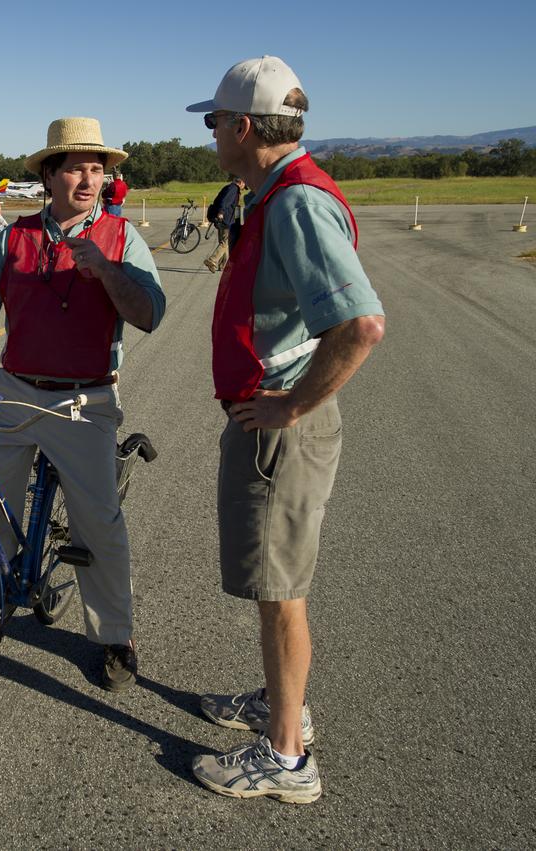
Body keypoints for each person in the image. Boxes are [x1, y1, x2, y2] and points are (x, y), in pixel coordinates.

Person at [184, 55, 385, 803]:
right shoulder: (271, 192)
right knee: (277, 587)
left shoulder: (296, 203)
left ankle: (288, 757)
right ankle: (280, 707)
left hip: (280, 429)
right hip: (270, 418)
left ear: (242, 128)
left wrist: (290, 405)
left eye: (214, 123)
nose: (210, 136)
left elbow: (361, 323)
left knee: (281, 590)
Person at [0, 117, 165, 691]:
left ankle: (113, 636)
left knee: (97, 523)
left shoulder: (123, 238)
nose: (89, 178)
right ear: (49, 176)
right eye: (76, 166)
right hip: (17, 392)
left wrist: (108, 273)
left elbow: (151, 313)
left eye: (98, 168)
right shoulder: (14, 238)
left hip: (85, 398)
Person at [203, 176, 245, 273]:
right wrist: (221, 213)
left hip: (224, 219)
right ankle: (212, 260)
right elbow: (225, 201)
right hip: (225, 219)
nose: (243, 188)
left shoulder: (229, 187)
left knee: (223, 242)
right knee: (225, 243)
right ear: (241, 182)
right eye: (244, 185)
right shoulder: (233, 189)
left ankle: (222, 266)